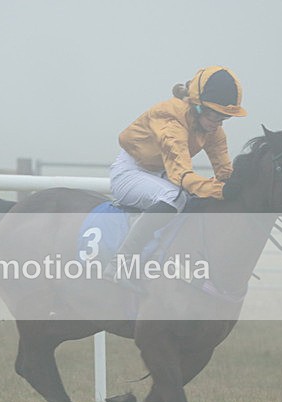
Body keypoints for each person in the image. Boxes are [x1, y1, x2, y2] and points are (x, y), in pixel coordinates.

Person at [106, 66, 247, 283]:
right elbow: (181, 174)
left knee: (194, 201)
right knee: (174, 197)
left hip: (160, 173)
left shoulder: (213, 130)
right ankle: (121, 262)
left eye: (224, 118)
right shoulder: (170, 119)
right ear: (198, 107)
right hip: (130, 171)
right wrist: (218, 189)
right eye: (214, 115)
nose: (218, 122)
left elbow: (224, 171)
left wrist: (239, 185)